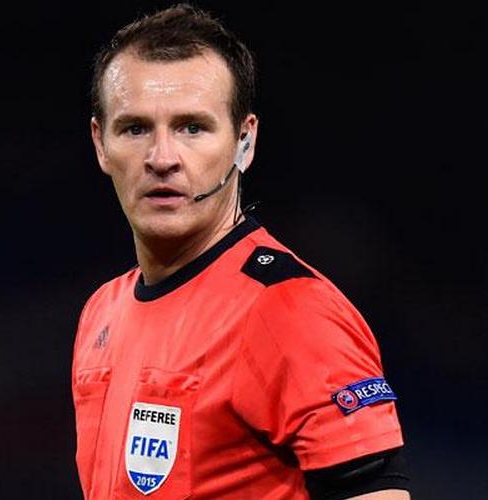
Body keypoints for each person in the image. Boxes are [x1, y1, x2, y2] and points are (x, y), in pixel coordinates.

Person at [72, 4, 410, 499]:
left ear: (244, 142)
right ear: (101, 144)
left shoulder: (292, 312)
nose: (162, 158)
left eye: (192, 127)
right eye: (135, 128)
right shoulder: (102, 311)